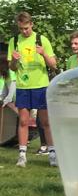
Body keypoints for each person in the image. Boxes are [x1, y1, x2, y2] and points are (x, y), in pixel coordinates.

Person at [7, 11, 57, 168]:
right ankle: (22, 155)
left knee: (45, 122)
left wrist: (43, 54)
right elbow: (12, 68)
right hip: (23, 86)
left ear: (32, 24)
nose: (24, 31)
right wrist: (14, 61)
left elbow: (54, 65)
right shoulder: (14, 41)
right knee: (23, 121)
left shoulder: (41, 40)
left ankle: (52, 154)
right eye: (21, 29)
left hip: (41, 86)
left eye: (26, 28)